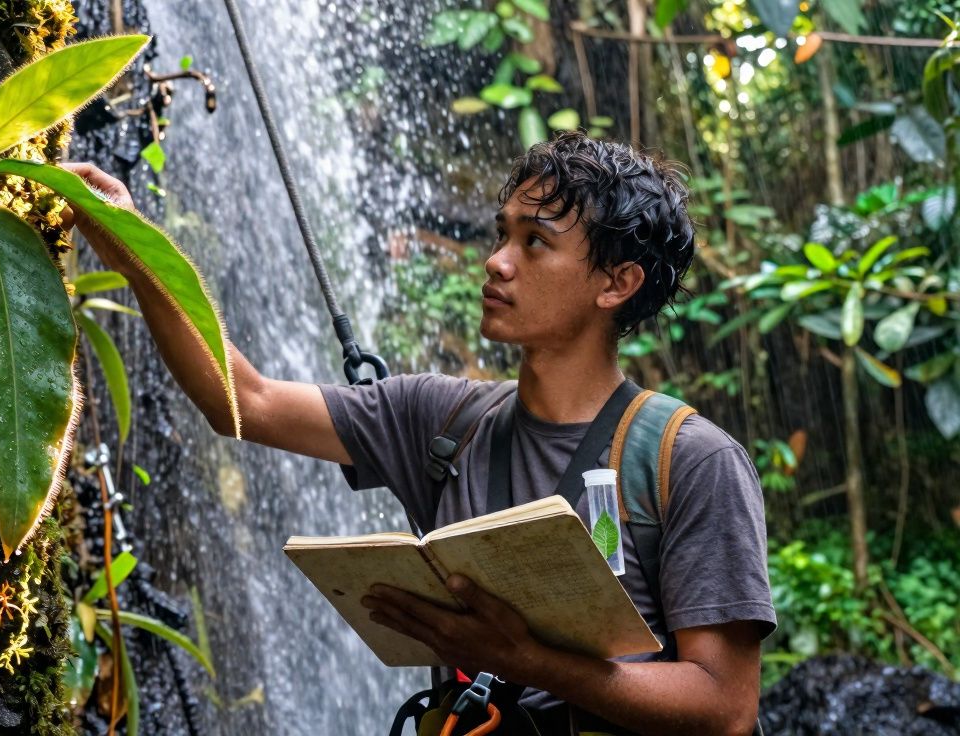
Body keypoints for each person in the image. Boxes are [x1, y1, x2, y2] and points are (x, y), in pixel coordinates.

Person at [61, 131, 775, 736]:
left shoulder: (690, 459)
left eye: (535, 243)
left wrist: (531, 662)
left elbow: (726, 705)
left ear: (615, 283)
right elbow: (242, 400)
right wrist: (132, 244)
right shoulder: (438, 420)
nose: (496, 261)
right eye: (502, 235)